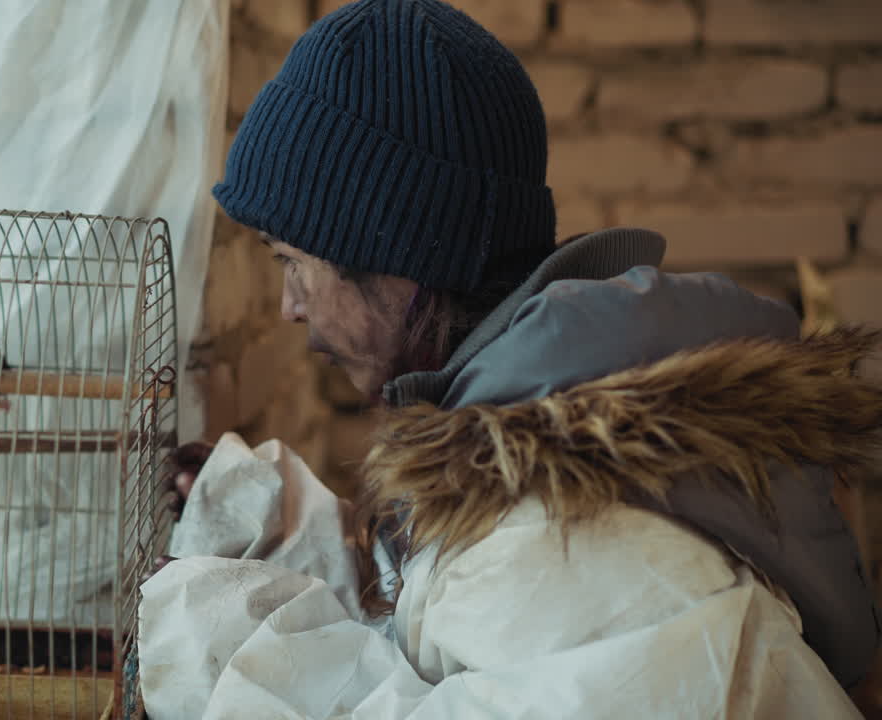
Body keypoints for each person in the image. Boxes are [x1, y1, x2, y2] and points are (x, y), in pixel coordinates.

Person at [138, 0, 882, 717]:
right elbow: (479, 646)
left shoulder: (571, 530)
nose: (287, 306)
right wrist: (302, 547)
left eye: (293, 262)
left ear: (397, 258)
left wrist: (231, 659)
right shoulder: (547, 462)